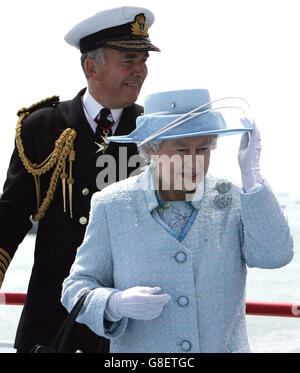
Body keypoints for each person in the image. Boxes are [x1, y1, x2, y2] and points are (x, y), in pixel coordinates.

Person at [61, 89, 294, 353]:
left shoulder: (231, 198)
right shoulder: (112, 205)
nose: (194, 161)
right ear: (152, 149)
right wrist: (114, 303)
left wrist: (253, 181)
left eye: (203, 149)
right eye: (182, 150)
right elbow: (75, 288)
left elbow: (276, 255)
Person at [0, 6, 160, 353]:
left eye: (143, 61)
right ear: (92, 67)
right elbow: (10, 221)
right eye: (128, 60)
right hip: (53, 319)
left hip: (127, 325)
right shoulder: (41, 128)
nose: (140, 72)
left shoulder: (155, 135)